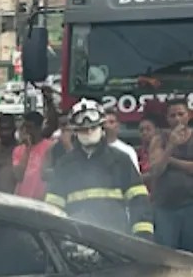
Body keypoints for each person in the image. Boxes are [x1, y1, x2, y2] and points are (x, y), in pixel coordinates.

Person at [45, 99, 153, 239]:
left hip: (116, 238)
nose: (89, 132)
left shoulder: (121, 160)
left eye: (93, 127)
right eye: (83, 129)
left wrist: (143, 236)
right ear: (75, 131)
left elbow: (139, 202)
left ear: (102, 127)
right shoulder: (65, 164)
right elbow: (53, 208)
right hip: (76, 240)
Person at [149, 98, 193, 249]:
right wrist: (171, 145)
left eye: (181, 114)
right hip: (165, 208)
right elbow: (156, 170)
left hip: (191, 206)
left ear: (189, 115)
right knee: (165, 256)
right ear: (167, 118)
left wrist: (170, 160)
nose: (177, 119)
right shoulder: (159, 139)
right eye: (172, 115)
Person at [13, 111, 54, 200]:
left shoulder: (50, 147)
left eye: (30, 127)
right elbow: (19, 176)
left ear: (39, 128)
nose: (27, 131)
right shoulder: (18, 150)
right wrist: (27, 149)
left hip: (41, 200)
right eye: (25, 127)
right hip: (22, 200)